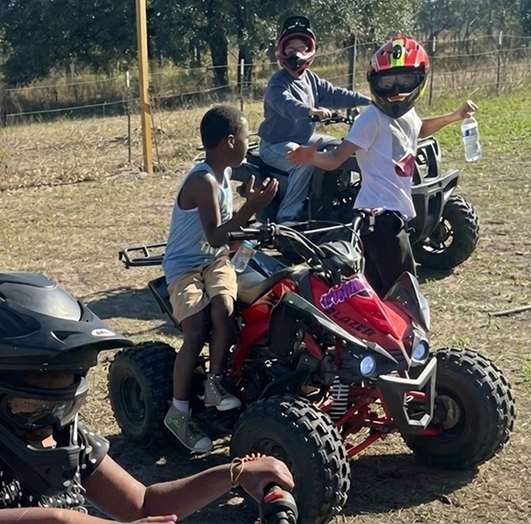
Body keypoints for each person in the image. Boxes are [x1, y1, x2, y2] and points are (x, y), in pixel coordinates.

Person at [0, 271, 294, 524]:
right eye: (31, 408)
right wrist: (61, 520)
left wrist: (233, 473)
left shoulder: (67, 441)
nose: (49, 424)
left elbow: (143, 504)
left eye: (63, 407)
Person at [287, 35, 477, 296]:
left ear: (419, 79)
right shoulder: (371, 119)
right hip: (379, 217)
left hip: (393, 215)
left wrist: (454, 116)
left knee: (377, 292)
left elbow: (420, 129)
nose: (396, 89)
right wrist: (310, 157)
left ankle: (378, 336)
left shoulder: (407, 114)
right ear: (374, 81)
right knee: (404, 292)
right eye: (387, 82)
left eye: (404, 81)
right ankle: (408, 337)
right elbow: (335, 159)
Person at [161, 105, 278, 453]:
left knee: (225, 309)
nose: (248, 142)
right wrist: (248, 211)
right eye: (246, 137)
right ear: (229, 141)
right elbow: (214, 234)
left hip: (215, 262)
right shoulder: (203, 180)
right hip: (184, 266)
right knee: (196, 328)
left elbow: (220, 241)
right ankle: (178, 412)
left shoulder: (226, 174)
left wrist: (245, 203)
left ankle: (215, 382)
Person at [257, 15, 371, 223]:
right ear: (282, 51)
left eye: (301, 48)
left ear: (309, 50)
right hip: (275, 144)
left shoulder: (311, 79)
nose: (296, 54)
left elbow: (336, 95)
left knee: (342, 147)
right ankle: (288, 216)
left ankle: (339, 201)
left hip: (302, 139)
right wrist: (311, 111)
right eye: (290, 49)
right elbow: (286, 105)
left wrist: (369, 101)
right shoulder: (278, 82)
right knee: (306, 160)